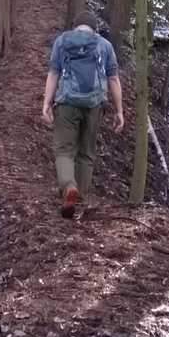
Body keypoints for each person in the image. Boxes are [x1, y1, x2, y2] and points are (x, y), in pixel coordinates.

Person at [41, 14, 125, 218]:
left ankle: (69, 187)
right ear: (94, 29)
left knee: (64, 150)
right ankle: (81, 201)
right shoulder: (104, 45)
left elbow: (53, 73)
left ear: (75, 26)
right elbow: (113, 79)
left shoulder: (62, 41)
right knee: (86, 154)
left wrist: (46, 103)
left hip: (67, 104)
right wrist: (119, 111)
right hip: (94, 106)